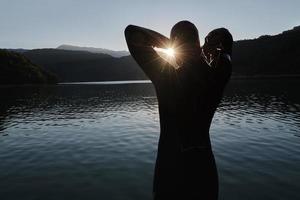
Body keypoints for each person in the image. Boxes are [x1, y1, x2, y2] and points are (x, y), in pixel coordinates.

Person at [124, 21, 233, 200]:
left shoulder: (165, 76)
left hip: (169, 169)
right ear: (199, 44)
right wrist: (211, 44)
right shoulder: (218, 76)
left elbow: (132, 33)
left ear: (176, 46)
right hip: (204, 169)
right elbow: (227, 49)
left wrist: (171, 44)